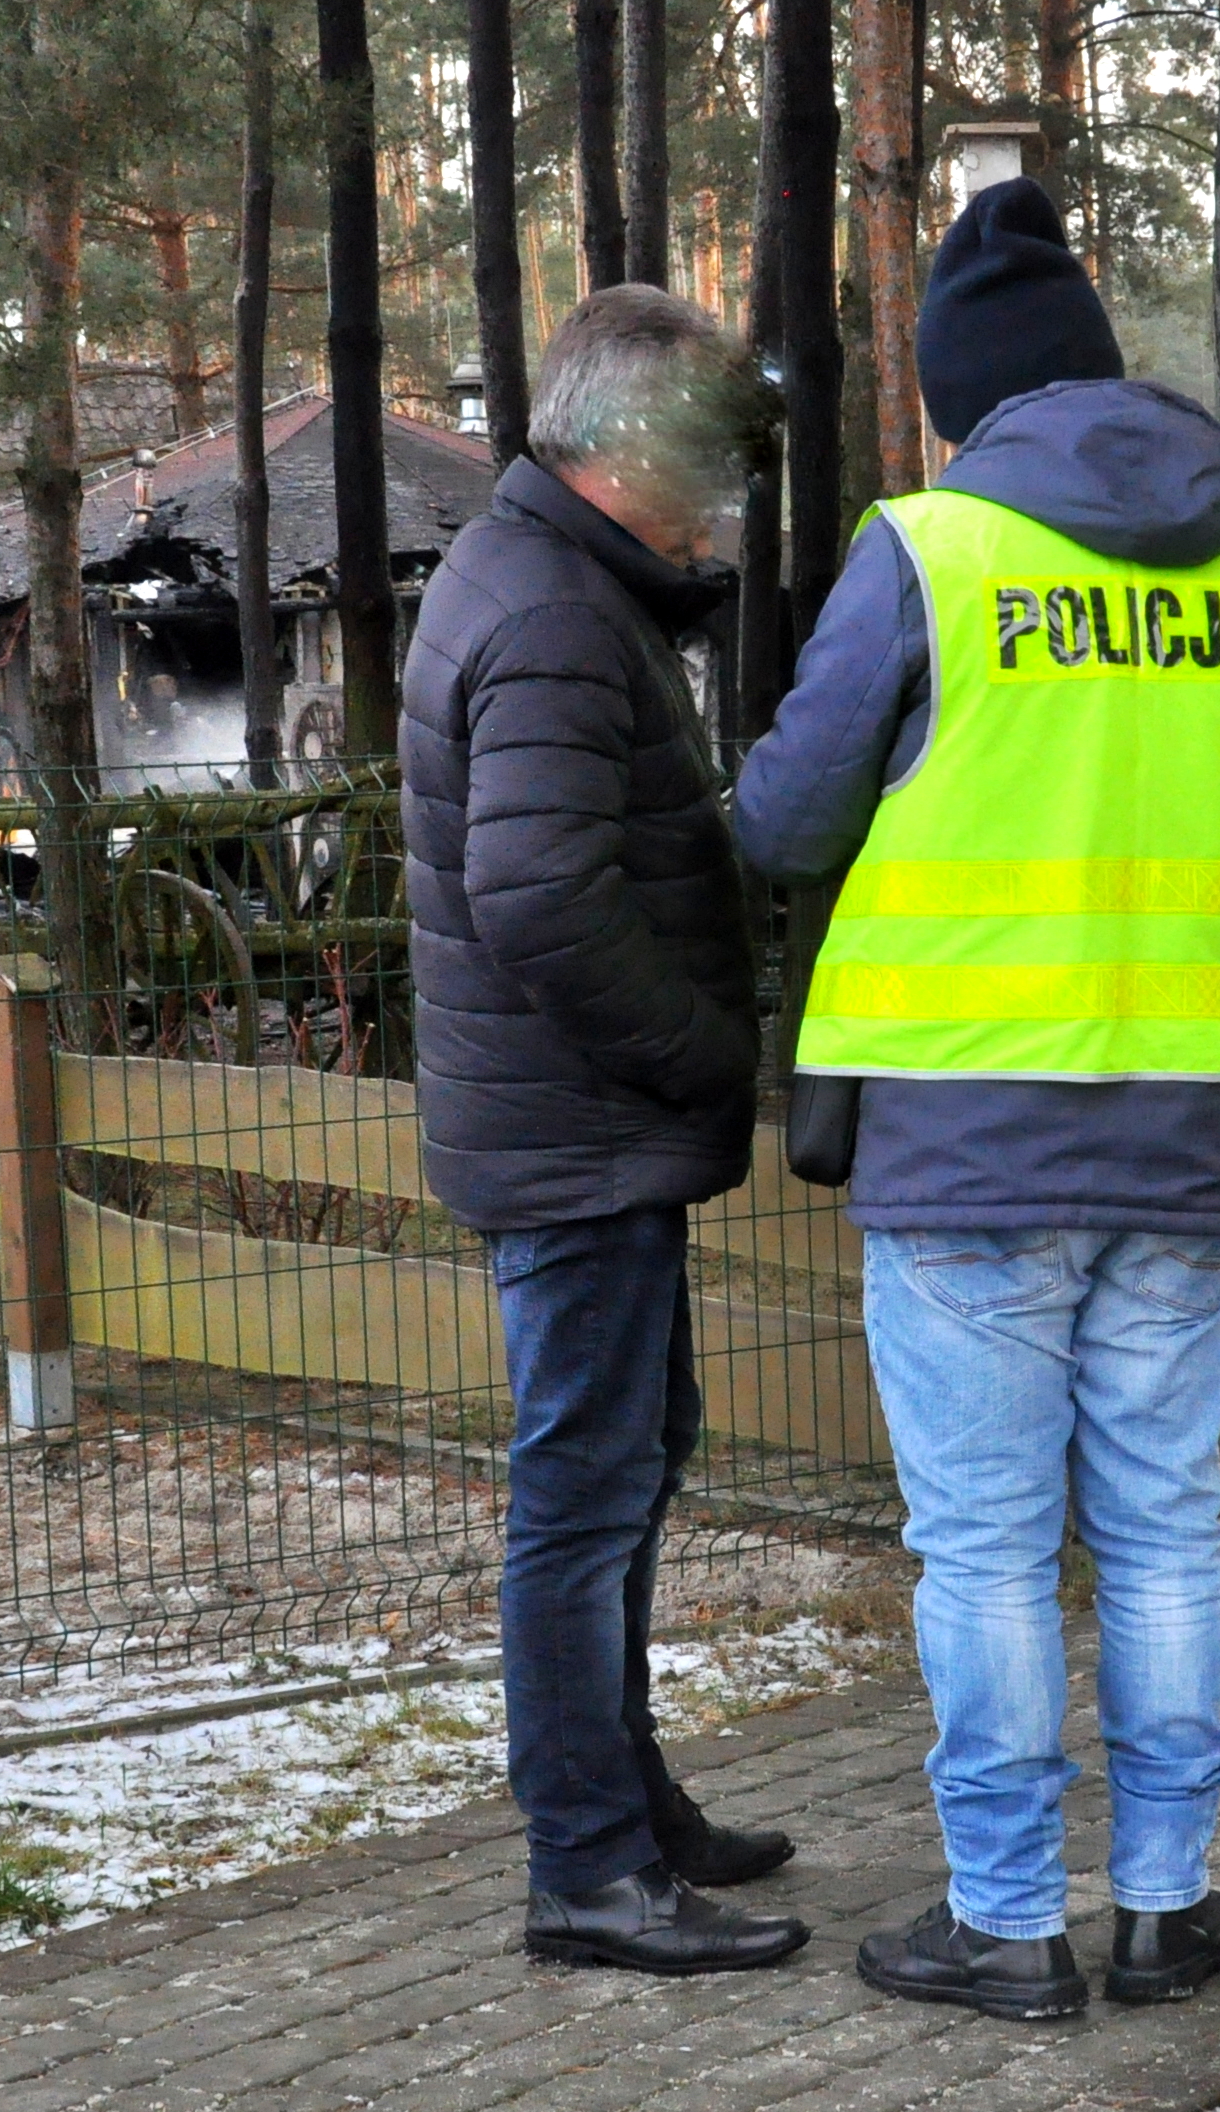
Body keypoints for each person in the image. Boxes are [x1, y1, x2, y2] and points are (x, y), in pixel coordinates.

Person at [735, 177, 1220, 2022]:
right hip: (1201, 1125)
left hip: (972, 1135)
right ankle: (1168, 1901)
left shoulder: (934, 548)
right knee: (1160, 1525)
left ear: (959, 398)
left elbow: (789, 817)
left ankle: (1005, 1918)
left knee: (986, 1542)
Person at [401, 285, 808, 1976]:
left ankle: (626, 1806)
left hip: (582, 1133)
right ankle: (586, 1863)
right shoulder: (558, 612)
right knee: (580, 1503)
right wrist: (707, 1054)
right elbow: (542, 892)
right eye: (707, 455)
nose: (723, 492)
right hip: (586, 1137)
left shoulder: (549, 580)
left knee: (623, 1476)